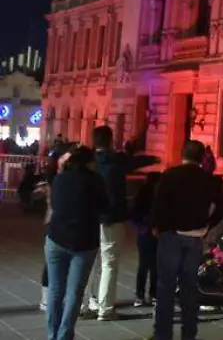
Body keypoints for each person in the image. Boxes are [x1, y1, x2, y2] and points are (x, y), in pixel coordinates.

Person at [150, 140, 223, 340]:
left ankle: (163, 334)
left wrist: (157, 226)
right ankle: (189, 334)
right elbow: (222, 205)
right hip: (195, 237)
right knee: (189, 287)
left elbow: (159, 203)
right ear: (202, 157)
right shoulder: (208, 179)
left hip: (171, 235)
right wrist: (209, 224)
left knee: (166, 287)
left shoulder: (170, 175)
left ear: (182, 154)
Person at [82, 125, 158, 320]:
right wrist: (155, 158)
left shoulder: (87, 160)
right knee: (109, 263)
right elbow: (136, 161)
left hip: (89, 218)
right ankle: (105, 309)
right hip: (111, 218)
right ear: (110, 141)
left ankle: (85, 304)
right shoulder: (116, 160)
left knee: (89, 263)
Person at [45, 146, 109, 340]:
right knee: (74, 293)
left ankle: (52, 335)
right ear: (90, 163)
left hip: (56, 239)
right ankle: (64, 335)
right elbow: (105, 207)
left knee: (55, 291)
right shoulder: (95, 181)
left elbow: (55, 205)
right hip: (83, 243)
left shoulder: (61, 179)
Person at [130, 172, 161, 307]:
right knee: (147, 265)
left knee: (151, 265)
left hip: (152, 233)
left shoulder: (158, 196)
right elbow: (135, 215)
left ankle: (147, 294)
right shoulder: (148, 196)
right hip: (148, 233)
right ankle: (144, 294)